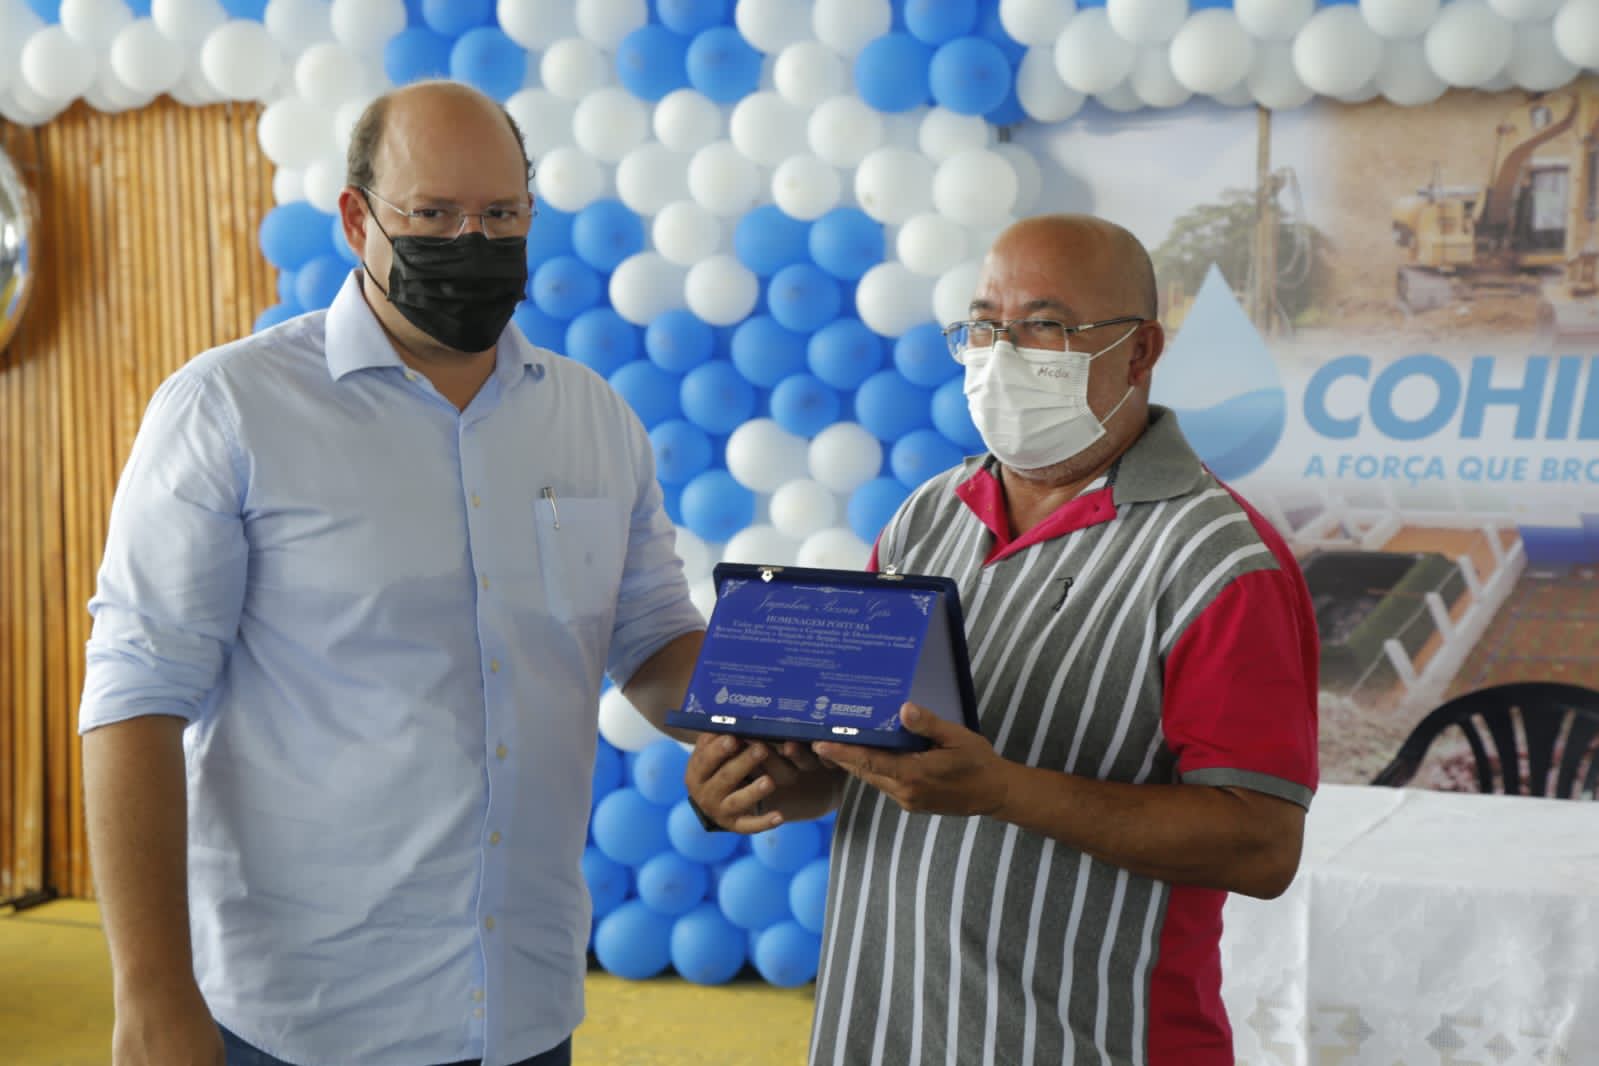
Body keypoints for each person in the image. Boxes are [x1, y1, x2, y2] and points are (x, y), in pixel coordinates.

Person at [79, 81, 704, 1066]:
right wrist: (151, 992)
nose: (471, 241)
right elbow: (134, 697)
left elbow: (655, 638)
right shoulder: (229, 409)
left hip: (524, 1007)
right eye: (433, 214)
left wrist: (785, 719)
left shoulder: (593, 419)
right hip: (300, 1018)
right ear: (355, 218)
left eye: (500, 214)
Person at [685, 214, 1319, 1066]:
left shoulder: (1220, 564)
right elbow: (874, 759)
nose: (1003, 355)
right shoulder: (927, 515)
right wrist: (760, 781)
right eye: (985, 326)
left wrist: (1004, 792)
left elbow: (1261, 845)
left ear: (1139, 352)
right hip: (882, 1033)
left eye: (1044, 326)